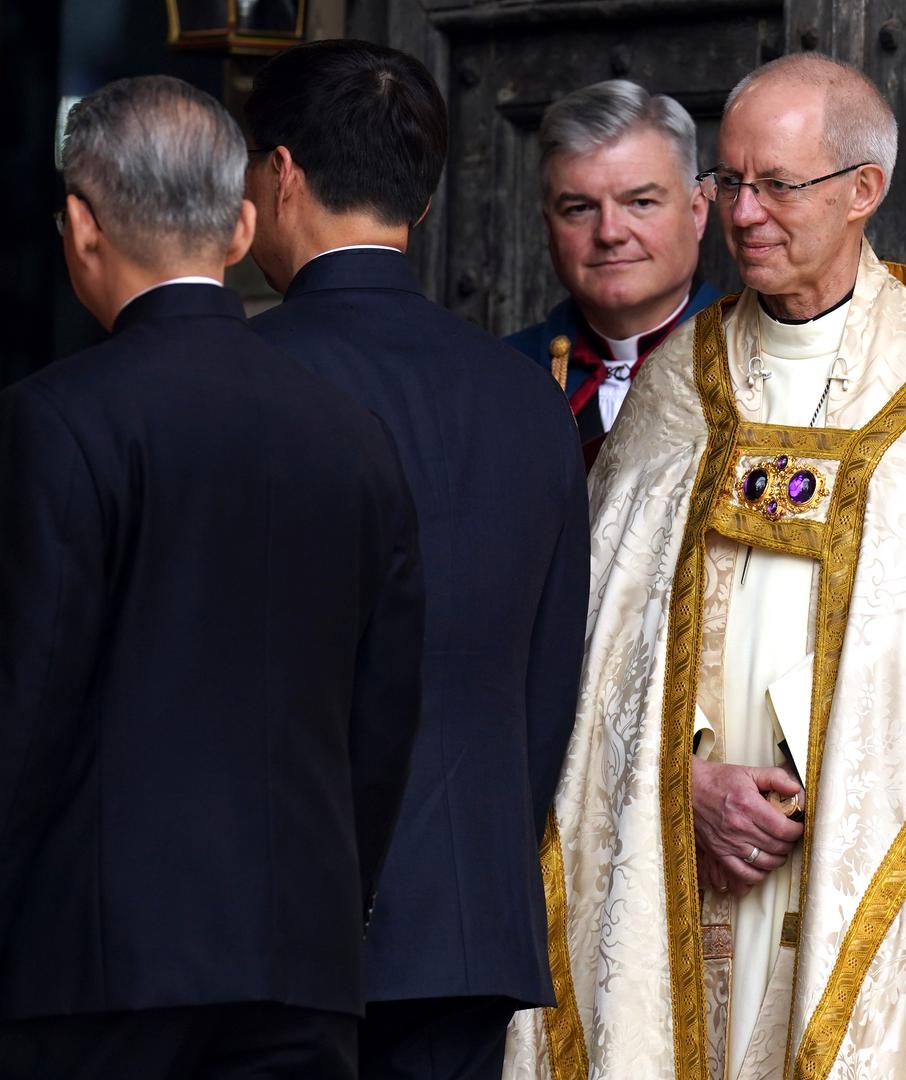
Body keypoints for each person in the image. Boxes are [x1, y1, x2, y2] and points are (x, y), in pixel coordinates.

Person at [507, 53, 906, 1080]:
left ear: (865, 190)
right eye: (730, 183)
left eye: (777, 184)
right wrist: (681, 777)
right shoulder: (683, 381)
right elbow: (599, 648)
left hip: (851, 849)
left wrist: (843, 785)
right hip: (683, 846)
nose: (744, 214)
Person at [0, 76, 424, 1079]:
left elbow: (26, 704)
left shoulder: (57, 420)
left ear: (79, 227)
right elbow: (383, 713)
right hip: (301, 963)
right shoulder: (353, 435)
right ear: (241, 228)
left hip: (96, 971)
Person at [243, 39, 588, 1080]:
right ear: (423, 206)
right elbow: (547, 683)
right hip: (469, 919)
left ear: (281, 174)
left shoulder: (242, 378)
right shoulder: (529, 394)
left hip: (274, 924)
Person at [506, 79, 720, 470]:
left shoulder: (761, 364)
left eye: (640, 202)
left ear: (697, 213)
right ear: (548, 226)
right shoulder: (501, 375)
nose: (609, 233)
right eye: (579, 208)